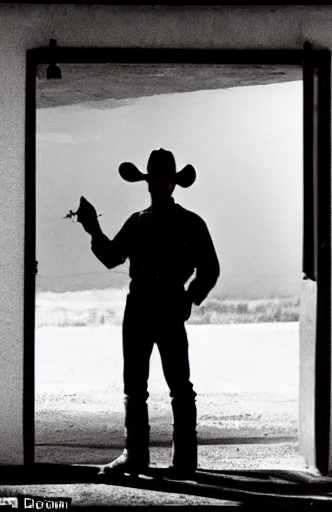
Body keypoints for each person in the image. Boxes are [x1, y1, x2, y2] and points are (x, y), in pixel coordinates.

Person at [75, 148, 220, 479]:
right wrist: (92, 227)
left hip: (161, 307)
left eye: (162, 179)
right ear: (151, 183)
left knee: (176, 384)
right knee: (138, 385)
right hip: (142, 308)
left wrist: (188, 298)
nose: (158, 185)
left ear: (171, 183)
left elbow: (210, 268)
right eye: (154, 179)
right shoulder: (145, 221)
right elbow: (113, 256)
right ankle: (150, 458)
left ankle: (166, 459)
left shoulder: (184, 222)